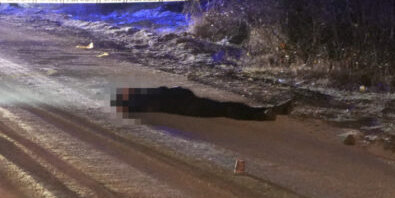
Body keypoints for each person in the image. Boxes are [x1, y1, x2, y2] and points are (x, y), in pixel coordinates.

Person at [112, 87, 294, 121]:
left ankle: (266, 111)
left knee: (225, 107)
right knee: (225, 109)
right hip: (188, 107)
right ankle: (263, 114)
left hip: (189, 103)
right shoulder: (147, 101)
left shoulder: (146, 98)